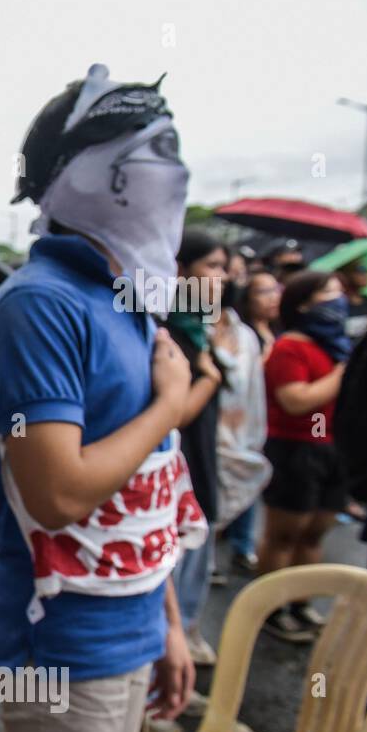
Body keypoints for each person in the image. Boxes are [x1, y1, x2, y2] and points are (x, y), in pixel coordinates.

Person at [0, 63, 199, 732]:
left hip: (128, 633)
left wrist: (168, 625)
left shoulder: (125, 298)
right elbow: (60, 489)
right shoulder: (41, 306)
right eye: (156, 149)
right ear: (94, 173)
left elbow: (148, 483)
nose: (177, 171)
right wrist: (170, 404)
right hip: (60, 649)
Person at [257, 270, 349, 643]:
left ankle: (299, 602)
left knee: (314, 534)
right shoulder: (290, 348)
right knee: (284, 534)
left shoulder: (336, 345)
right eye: (329, 293)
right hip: (297, 447)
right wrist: (344, 374)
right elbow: (295, 401)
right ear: (305, 303)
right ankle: (268, 607)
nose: (338, 300)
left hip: (331, 447)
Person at [165, 230, 227, 666]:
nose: (221, 278)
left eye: (223, 268)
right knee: (173, 576)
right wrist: (208, 378)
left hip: (201, 468)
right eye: (212, 266)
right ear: (180, 270)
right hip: (172, 480)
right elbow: (176, 413)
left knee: (194, 570)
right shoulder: (165, 331)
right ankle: (164, 682)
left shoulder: (197, 328)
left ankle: (183, 646)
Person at [213, 274, 272, 577]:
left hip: (245, 433)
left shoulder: (246, 335)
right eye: (212, 265)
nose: (222, 277)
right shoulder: (187, 329)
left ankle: (241, 547)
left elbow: (255, 392)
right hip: (208, 440)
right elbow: (297, 400)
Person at [239, 269, 282, 359]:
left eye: (276, 289)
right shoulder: (242, 335)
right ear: (248, 297)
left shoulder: (282, 328)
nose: (273, 297)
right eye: (264, 292)